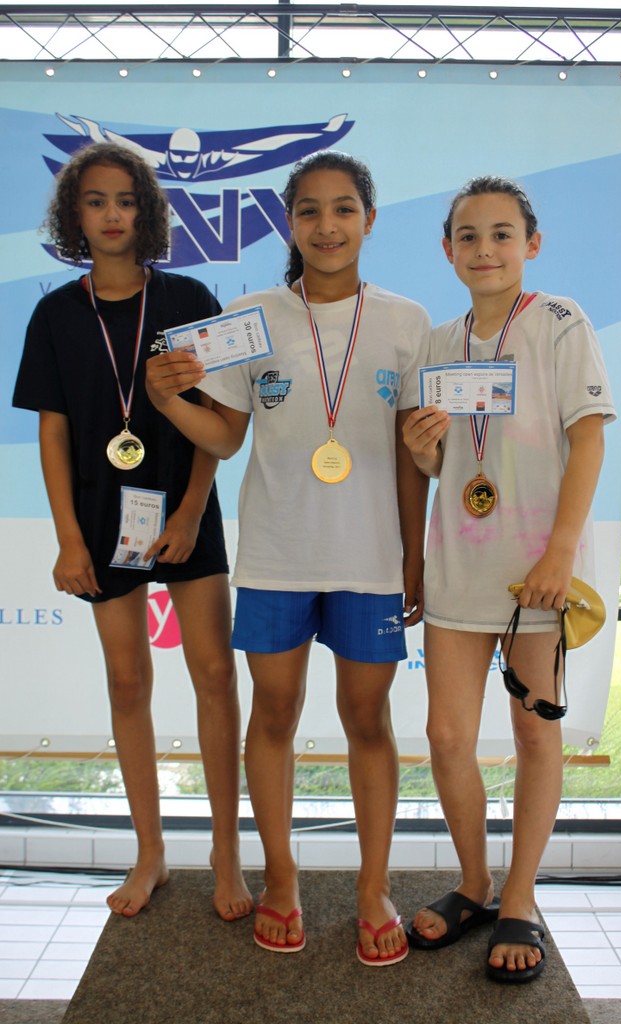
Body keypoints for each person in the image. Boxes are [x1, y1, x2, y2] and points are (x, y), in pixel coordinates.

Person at [145, 150, 431, 964]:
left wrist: (413, 558)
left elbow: (412, 455)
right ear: (288, 222)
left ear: (369, 220)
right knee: (273, 716)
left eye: (343, 209)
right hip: (276, 556)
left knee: (367, 720)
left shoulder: (406, 321)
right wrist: (167, 399)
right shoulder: (251, 316)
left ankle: (373, 887)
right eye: (309, 210)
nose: (326, 225)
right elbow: (224, 439)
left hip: (369, 559)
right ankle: (280, 876)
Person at [13, 142, 252, 923]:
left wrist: (189, 512)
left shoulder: (189, 297)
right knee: (126, 683)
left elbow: (219, 419)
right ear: (73, 216)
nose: (111, 214)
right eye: (95, 201)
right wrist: (68, 540)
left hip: (184, 513)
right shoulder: (55, 313)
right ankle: (149, 852)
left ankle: (225, 850)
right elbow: (52, 432)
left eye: (124, 200)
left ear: (145, 212)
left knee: (214, 675)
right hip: (98, 519)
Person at [402, 176, 615, 982]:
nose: (484, 249)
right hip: (459, 563)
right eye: (467, 235)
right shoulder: (437, 340)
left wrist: (560, 553)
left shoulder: (559, 321)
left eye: (500, 234)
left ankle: (520, 896)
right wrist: (423, 449)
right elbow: (440, 465)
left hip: (537, 573)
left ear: (531, 244)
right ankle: (474, 883)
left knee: (533, 733)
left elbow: (588, 439)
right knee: (446, 737)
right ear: (447, 249)